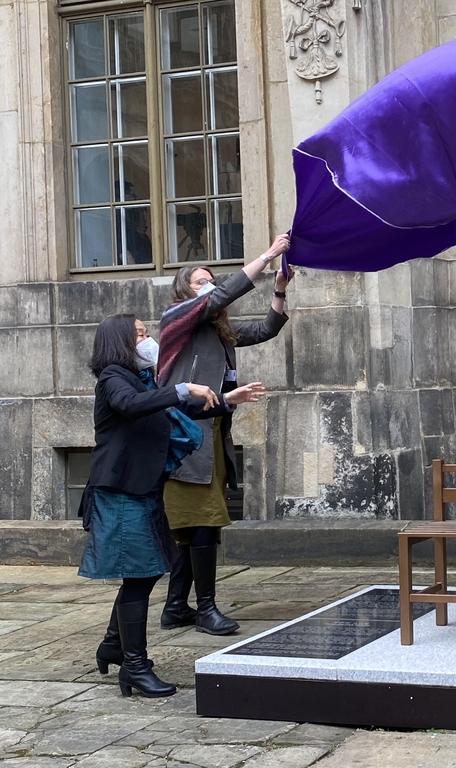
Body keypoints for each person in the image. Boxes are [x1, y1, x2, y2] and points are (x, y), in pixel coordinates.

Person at [80, 314, 263, 698]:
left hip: (143, 489)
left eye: (148, 333)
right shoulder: (115, 377)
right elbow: (132, 405)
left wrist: (226, 399)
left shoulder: (142, 378)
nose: (149, 341)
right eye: (140, 335)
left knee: (144, 573)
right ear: (120, 342)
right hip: (121, 490)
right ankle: (134, 666)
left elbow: (172, 413)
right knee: (139, 573)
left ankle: (115, 643)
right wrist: (182, 387)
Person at [158, 233, 293, 636]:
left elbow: (267, 329)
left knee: (201, 523)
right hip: (185, 441)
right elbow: (217, 300)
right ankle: (205, 609)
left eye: (210, 279)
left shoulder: (218, 333)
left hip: (211, 436)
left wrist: (279, 290)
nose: (211, 286)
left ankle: (176, 607)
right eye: (202, 281)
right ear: (185, 292)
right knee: (199, 522)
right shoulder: (175, 321)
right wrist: (268, 255)